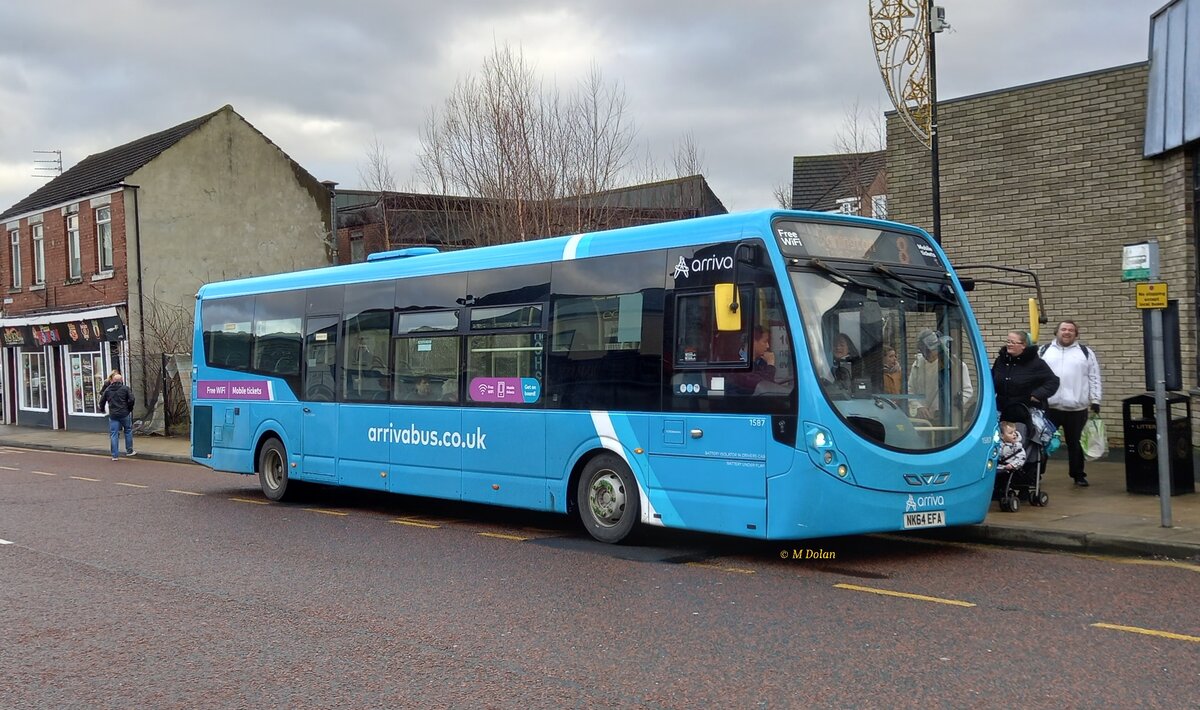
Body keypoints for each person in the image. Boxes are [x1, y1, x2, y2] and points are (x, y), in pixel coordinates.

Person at [1040, 320, 1103, 487]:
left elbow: (1094, 377)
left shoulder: (1085, 352)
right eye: (1063, 329)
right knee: (1042, 441)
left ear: (1076, 334)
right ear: (1057, 332)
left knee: (1075, 444)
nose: (1066, 332)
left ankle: (1078, 474)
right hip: (1049, 407)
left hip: (1076, 408)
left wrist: (1095, 399)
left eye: (1070, 330)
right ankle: (1037, 473)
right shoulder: (1044, 351)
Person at [991, 330, 1059, 429]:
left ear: (1023, 345)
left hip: (1026, 413)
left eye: (1013, 342)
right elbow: (993, 379)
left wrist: (1037, 395)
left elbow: (1053, 381)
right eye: (1008, 342)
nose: (1009, 345)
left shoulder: (1036, 363)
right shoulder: (1000, 361)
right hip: (1003, 412)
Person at [908, 329, 974, 421]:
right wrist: (919, 407)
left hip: (946, 419)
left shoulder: (956, 365)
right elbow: (910, 390)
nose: (926, 354)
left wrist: (950, 407)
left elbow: (967, 390)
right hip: (922, 419)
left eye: (929, 351)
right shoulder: (917, 365)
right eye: (923, 351)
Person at [99, 373, 136, 460]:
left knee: (114, 434)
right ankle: (129, 451)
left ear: (113, 380)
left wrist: (102, 410)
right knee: (128, 431)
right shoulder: (125, 389)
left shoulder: (107, 390)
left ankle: (115, 455)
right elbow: (132, 399)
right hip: (124, 413)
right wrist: (129, 408)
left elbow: (102, 401)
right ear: (121, 380)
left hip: (113, 415)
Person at [730, 326, 777, 394]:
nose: (768, 346)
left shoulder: (761, 362)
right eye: (765, 341)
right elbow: (765, 386)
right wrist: (770, 365)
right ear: (753, 342)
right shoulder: (738, 365)